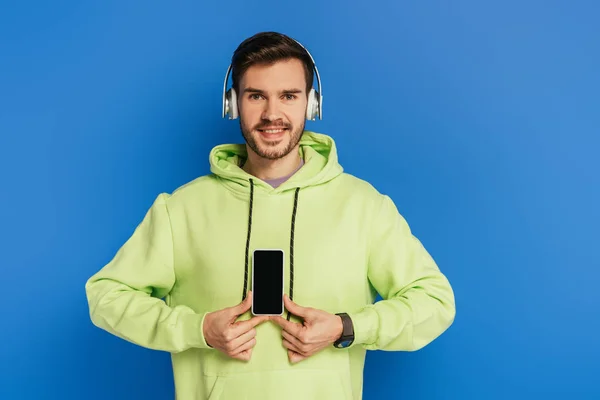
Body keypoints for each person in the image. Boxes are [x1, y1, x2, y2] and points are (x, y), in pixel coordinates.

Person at [85, 31, 456, 400]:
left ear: (312, 105)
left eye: (289, 96)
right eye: (256, 96)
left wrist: (346, 327)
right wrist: (195, 330)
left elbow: (435, 302)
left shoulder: (363, 206)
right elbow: (106, 296)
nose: (272, 114)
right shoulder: (180, 209)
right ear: (232, 104)